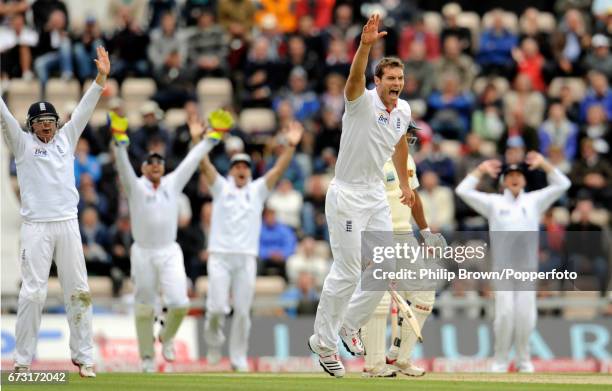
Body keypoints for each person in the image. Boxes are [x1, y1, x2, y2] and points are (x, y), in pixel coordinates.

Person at [307, 14, 415, 378]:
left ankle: (348, 326)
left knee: (386, 266)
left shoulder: (403, 110)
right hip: (347, 195)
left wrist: (404, 183)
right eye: (391, 79)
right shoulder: (360, 101)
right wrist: (365, 46)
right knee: (349, 270)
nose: (397, 84)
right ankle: (322, 342)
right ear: (377, 81)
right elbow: (353, 79)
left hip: (374, 196)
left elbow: (398, 143)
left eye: (400, 79)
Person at [0, 46, 110, 378]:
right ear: (31, 125)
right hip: (35, 227)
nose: (46, 127)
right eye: (40, 123)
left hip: (68, 224)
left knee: (78, 290)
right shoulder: (21, 144)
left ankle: (84, 356)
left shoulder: (67, 138)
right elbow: (3, 115)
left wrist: (101, 79)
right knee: (32, 293)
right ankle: (21, 360)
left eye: (50, 122)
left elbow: (85, 110)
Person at [110, 108, 232, 373]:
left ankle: (166, 337)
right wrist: (119, 138)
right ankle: (146, 358)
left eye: (159, 162)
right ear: (143, 168)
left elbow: (192, 159)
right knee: (144, 308)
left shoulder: (172, 184)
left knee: (180, 303)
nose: (155, 165)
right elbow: (121, 164)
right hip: (142, 253)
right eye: (150, 162)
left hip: (168, 251)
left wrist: (213, 137)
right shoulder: (135, 186)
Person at [196, 120, 304, 372]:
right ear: (231, 170)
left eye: (245, 166)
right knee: (216, 308)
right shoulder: (221, 188)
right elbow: (205, 165)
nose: (241, 169)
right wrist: (199, 141)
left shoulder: (257, 191)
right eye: (237, 166)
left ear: (249, 170)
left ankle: (238, 357)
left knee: (243, 311)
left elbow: (278, 170)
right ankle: (213, 344)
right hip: (220, 256)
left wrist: (290, 146)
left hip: (245, 258)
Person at [455, 152, 570, 373]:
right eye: (510, 175)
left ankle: (524, 360)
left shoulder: (534, 200)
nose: (515, 178)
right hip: (502, 269)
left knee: (526, 316)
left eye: (519, 175)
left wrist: (544, 164)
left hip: (527, 269)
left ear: (525, 180)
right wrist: (480, 170)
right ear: (503, 181)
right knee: (505, 314)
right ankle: (499, 360)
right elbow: (462, 190)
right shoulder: (494, 203)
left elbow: (564, 184)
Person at [361, 122, 443, 378]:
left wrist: (426, 232)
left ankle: (400, 358)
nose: (409, 140)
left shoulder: (408, 162)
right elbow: (359, 202)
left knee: (424, 294)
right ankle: (373, 365)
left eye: (410, 136)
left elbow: (413, 198)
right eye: (406, 135)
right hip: (376, 234)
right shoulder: (371, 159)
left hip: (404, 235)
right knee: (379, 299)